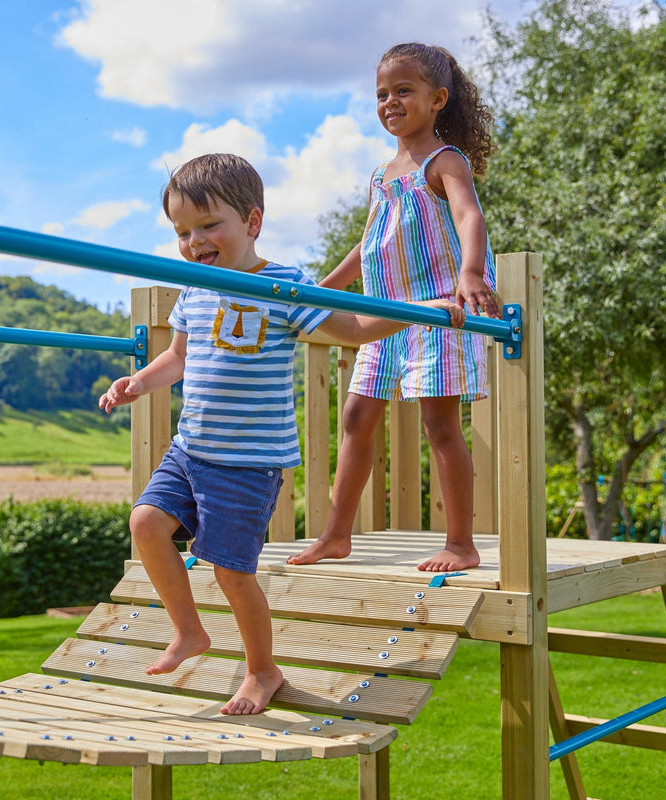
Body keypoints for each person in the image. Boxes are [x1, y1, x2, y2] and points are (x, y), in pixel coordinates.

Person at [99, 153, 465, 716]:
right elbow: (177, 357)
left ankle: (262, 671)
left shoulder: (285, 286)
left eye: (208, 225)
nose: (194, 241)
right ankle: (189, 632)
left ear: (252, 222)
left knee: (231, 571)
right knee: (145, 523)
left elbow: (351, 330)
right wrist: (138, 383)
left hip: (246, 460)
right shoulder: (194, 289)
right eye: (182, 231)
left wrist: (422, 312)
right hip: (190, 447)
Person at [287, 42, 500, 572]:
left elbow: (469, 216)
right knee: (357, 415)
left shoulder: (445, 161)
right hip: (388, 317)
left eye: (403, 90)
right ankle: (337, 535)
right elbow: (368, 243)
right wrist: (322, 290)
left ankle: (460, 544)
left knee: (440, 425)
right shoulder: (383, 175)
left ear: (438, 99)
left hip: (438, 312)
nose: (390, 102)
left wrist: (469, 274)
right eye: (382, 93)